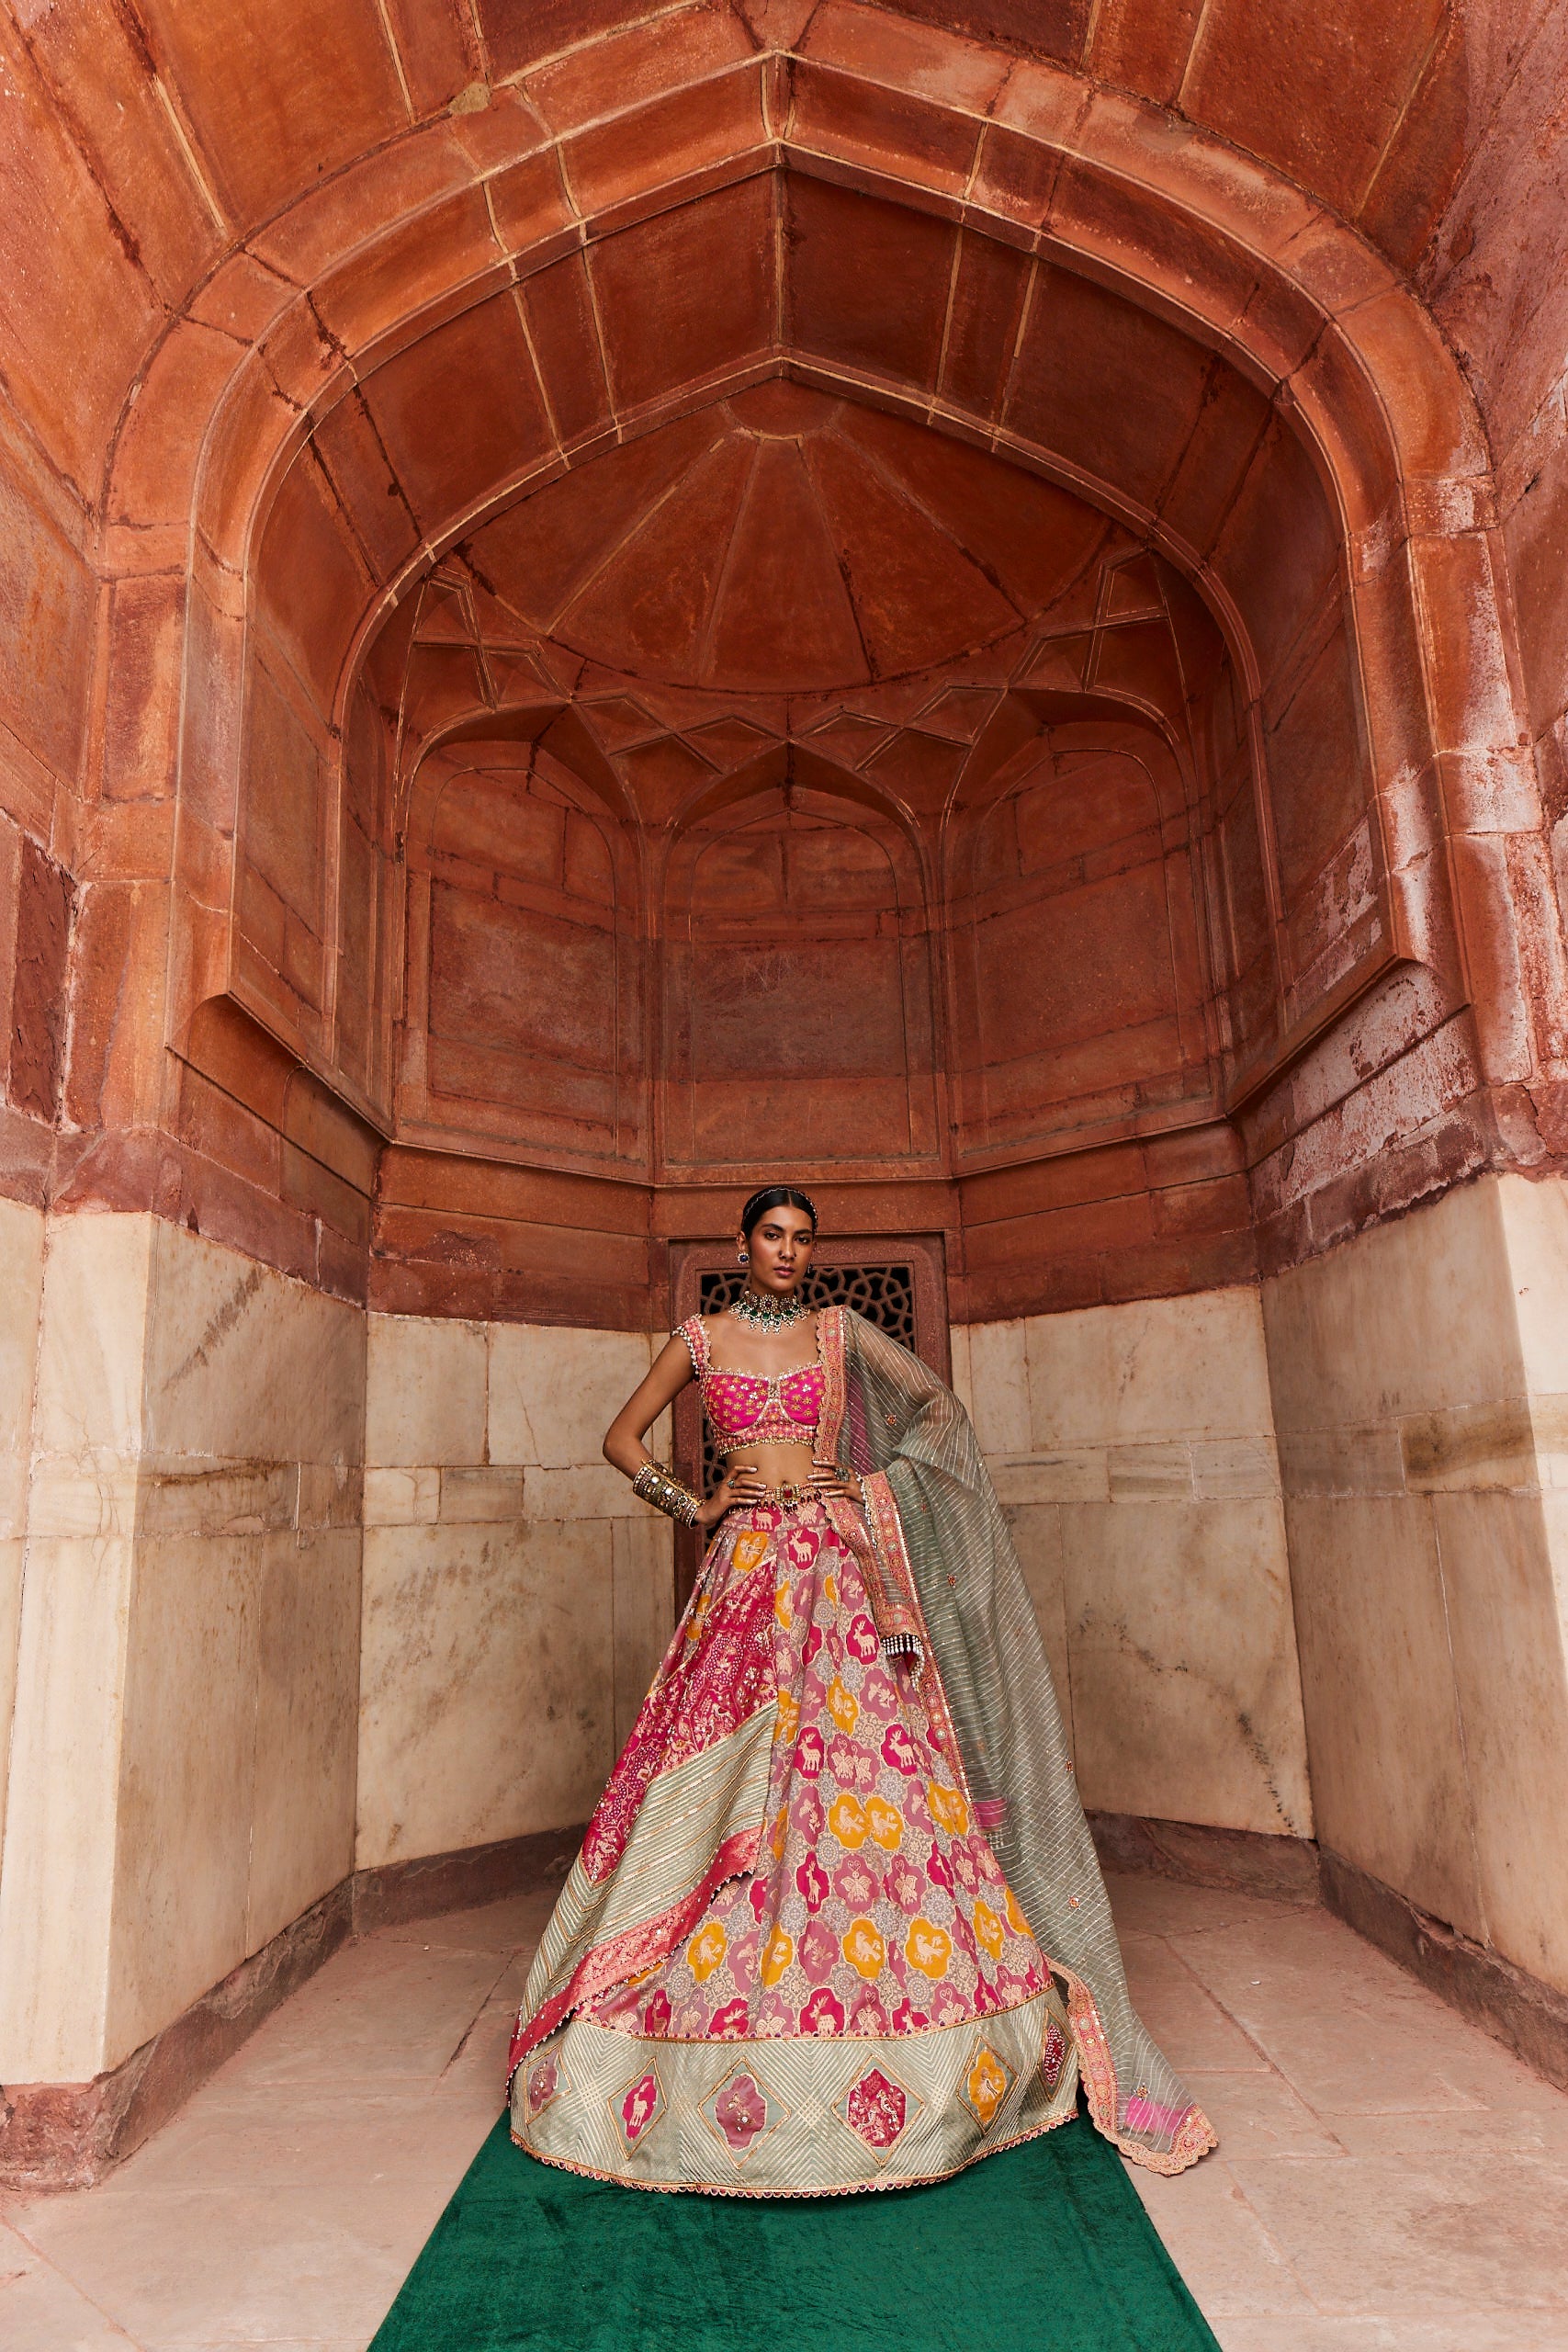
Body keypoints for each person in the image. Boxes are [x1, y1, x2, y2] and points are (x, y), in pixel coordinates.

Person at [507, 1185, 1215, 2193]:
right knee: (716, 1788)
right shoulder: (698, 1339)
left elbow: (941, 1412)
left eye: (802, 1239)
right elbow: (620, 1438)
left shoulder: (840, 1334)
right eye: (771, 1235)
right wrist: (698, 1501)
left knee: (867, 1785)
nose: (788, 1252)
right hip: (744, 1578)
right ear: (741, 1242)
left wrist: (867, 1490)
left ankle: (920, 2022)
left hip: (837, 1576)